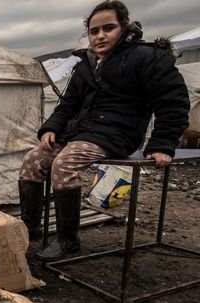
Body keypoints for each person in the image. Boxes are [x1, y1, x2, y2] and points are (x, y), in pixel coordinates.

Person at [19, 0, 189, 261]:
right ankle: (29, 229)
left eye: (108, 28)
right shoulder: (85, 64)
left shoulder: (146, 57)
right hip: (82, 132)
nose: (100, 36)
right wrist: (50, 129)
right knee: (33, 160)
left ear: (124, 27)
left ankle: (68, 241)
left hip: (119, 133)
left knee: (64, 163)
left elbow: (172, 101)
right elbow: (69, 103)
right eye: (93, 31)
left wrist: (162, 144)